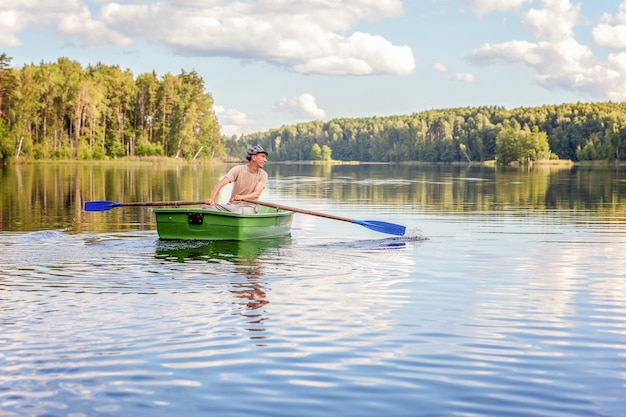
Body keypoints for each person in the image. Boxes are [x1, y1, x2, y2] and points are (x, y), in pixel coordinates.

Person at [203, 145, 268, 214]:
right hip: (232, 206)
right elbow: (220, 184)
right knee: (206, 207)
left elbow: (256, 194)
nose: (265, 160)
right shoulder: (238, 169)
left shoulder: (263, 174)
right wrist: (211, 199)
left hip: (250, 207)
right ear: (254, 157)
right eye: (263, 156)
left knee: (238, 212)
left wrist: (242, 197)